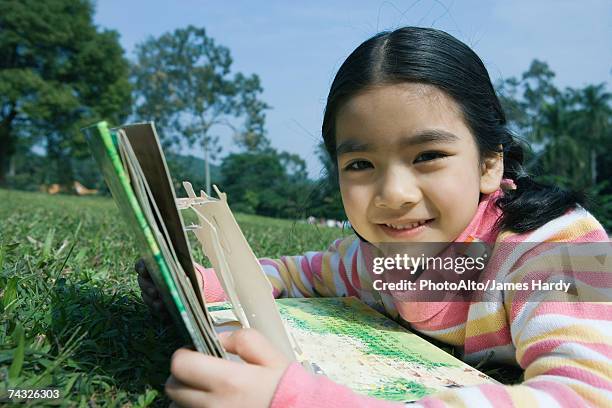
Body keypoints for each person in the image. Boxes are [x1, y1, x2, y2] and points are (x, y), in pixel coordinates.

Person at [138, 26, 612, 407]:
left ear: (491, 164)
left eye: (427, 154)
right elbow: (290, 274)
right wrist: (202, 286)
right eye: (360, 165)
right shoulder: (377, 259)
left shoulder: (559, 250)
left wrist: (298, 399)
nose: (393, 194)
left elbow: (585, 394)